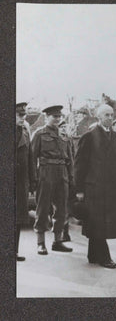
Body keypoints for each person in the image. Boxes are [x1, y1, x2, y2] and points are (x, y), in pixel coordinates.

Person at [74, 104, 116, 268]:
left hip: (110, 188)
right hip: (94, 187)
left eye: (111, 115)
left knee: (101, 222)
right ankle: (104, 257)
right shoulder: (89, 136)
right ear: (99, 117)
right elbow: (80, 165)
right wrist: (79, 190)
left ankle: (93, 255)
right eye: (107, 115)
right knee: (98, 221)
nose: (110, 118)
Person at [31, 105, 73, 255]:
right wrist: (33, 179)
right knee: (43, 208)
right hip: (46, 172)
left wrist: (71, 178)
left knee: (62, 209)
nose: (57, 119)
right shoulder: (39, 134)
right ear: (46, 117)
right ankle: (40, 243)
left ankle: (57, 241)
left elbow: (70, 159)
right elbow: (32, 158)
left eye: (59, 116)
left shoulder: (64, 135)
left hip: (62, 174)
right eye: (54, 116)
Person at [16, 102, 35, 261]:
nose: (23, 118)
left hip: (21, 182)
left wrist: (32, 182)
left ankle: (13, 252)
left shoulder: (25, 133)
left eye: (24, 115)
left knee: (18, 218)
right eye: (20, 115)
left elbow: (30, 158)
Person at [58, 120, 76, 242]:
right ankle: (59, 232)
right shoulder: (56, 139)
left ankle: (65, 232)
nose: (64, 129)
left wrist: (72, 175)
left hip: (67, 173)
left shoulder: (69, 140)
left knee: (66, 205)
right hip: (55, 174)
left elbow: (72, 157)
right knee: (58, 206)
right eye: (61, 127)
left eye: (65, 127)